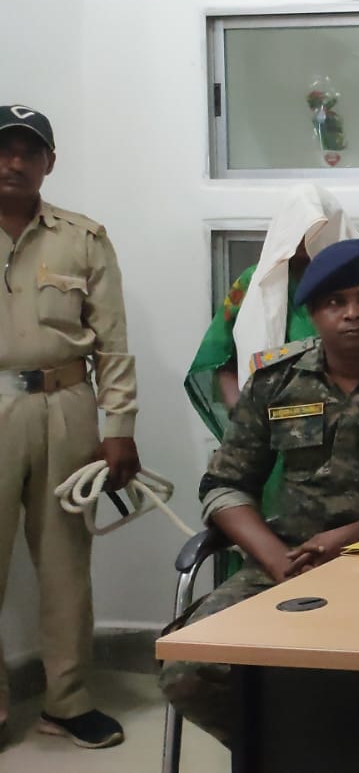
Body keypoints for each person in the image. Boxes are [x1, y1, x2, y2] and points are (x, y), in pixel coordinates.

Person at [159, 239, 359, 748]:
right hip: (289, 563)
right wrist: (277, 561)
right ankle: (292, 753)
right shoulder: (275, 378)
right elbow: (224, 484)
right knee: (188, 668)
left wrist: (350, 539)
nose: (352, 313)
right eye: (335, 302)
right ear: (312, 313)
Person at [0, 104, 139, 750]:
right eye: (4, 149)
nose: (14, 162)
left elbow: (112, 341)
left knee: (64, 565)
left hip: (65, 406)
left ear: (49, 162)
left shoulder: (83, 238)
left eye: (29, 151)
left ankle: (67, 700)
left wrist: (120, 425)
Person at [184, 184, 359, 513]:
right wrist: (246, 419)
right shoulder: (254, 283)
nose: (307, 242)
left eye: (317, 231)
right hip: (276, 439)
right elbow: (222, 361)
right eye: (301, 229)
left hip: (352, 441)